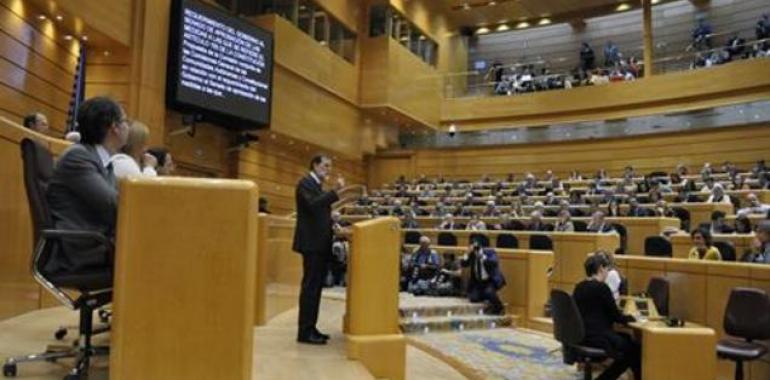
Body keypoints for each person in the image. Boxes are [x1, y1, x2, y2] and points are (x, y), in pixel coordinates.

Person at [45, 97, 128, 276]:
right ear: (114, 127)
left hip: (97, 245)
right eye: (125, 121)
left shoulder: (101, 160)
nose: (128, 127)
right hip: (82, 251)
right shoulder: (78, 157)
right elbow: (115, 207)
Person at [293, 154, 346, 345]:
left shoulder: (316, 186)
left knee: (315, 289)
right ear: (314, 165)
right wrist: (336, 191)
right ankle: (305, 332)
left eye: (330, 166)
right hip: (311, 244)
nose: (328, 169)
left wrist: (331, 221)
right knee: (310, 288)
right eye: (325, 165)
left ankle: (311, 328)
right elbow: (313, 205)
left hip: (319, 243)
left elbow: (317, 211)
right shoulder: (305, 183)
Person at [573, 254, 640, 380]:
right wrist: (634, 318)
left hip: (582, 336)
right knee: (634, 349)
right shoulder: (602, 288)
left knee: (628, 341)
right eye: (606, 270)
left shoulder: (578, 287)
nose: (607, 273)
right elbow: (616, 316)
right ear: (600, 269)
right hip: (598, 337)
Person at [460, 239, 506, 315]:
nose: (475, 251)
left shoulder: (489, 252)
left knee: (489, 292)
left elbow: (494, 262)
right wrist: (466, 254)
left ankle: (499, 307)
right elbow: (463, 264)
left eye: (476, 248)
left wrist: (483, 257)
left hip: (490, 281)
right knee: (473, 298)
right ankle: (486, 298)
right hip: (478, 282)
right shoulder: (472, 254)